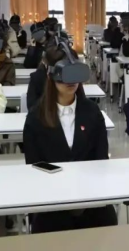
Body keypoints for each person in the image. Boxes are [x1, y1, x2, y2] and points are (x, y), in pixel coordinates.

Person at [23, 46, 117, 233]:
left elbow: (101, 162)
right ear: (50, 74)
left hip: (91, 199)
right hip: (52, 203)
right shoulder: (35, 118)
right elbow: (34, 168)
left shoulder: (93, 113)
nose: (71, 81)